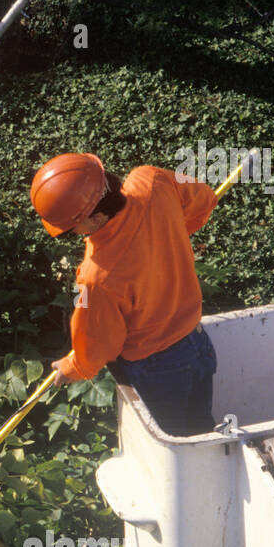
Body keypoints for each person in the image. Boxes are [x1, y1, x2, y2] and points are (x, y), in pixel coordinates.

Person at [30, 153, 219, 436]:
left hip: (158, 368)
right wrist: (168, 237)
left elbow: (99, 341)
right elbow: (203, 198)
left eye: (71, 230)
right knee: (202, 431)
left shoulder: (97, 275)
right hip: (198, 343)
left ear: (97, 217)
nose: (74, 235)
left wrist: (74, 367)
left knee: (176, 451)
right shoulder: (151, 179)